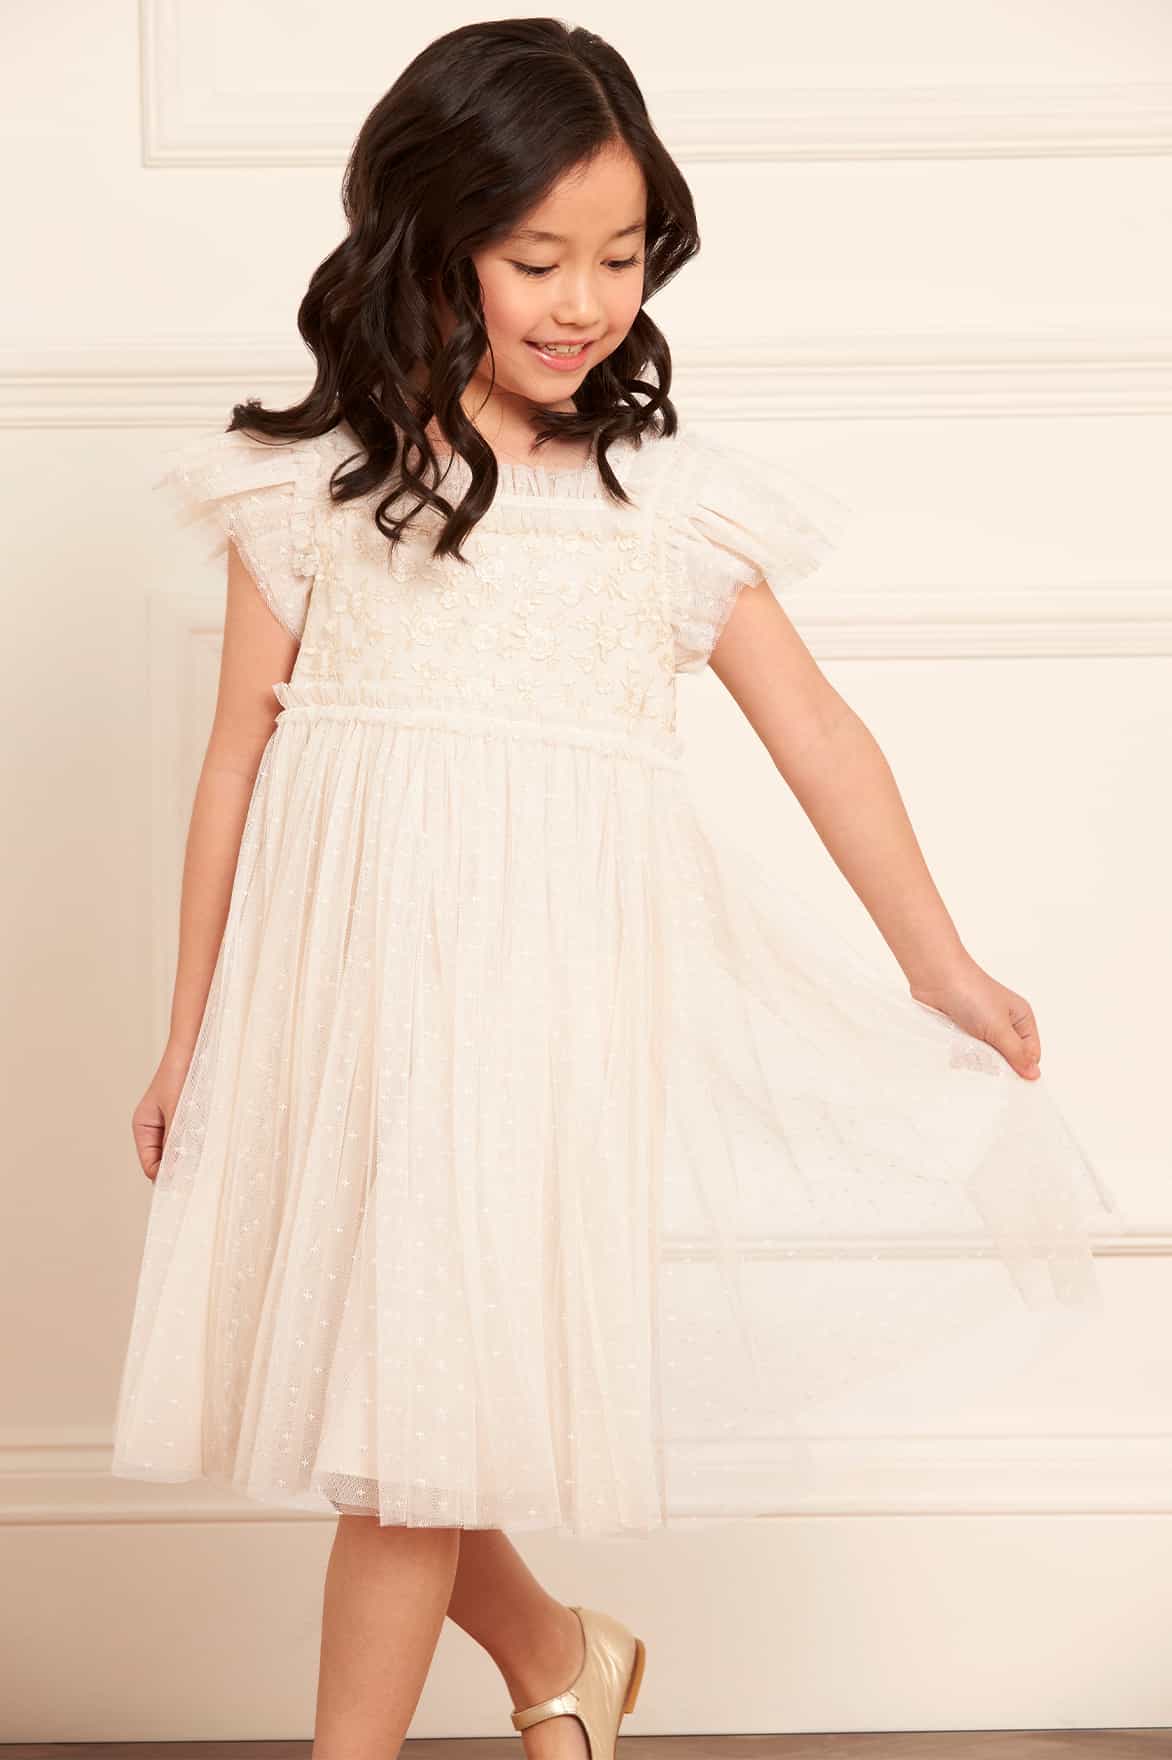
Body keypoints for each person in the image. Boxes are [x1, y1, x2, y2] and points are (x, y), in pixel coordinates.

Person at [110, 18, 1125, 1760]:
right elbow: (231, 772)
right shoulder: (305, 499)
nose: (583, 302)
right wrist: (188, 1034)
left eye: (622, 256)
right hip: (341, 1020)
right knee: (397, 1414)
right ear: (431, 245)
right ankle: (560, 1657)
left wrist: (941, 964)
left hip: (540, 1034)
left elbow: (824, 739)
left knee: (409, 1433)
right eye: (537, 259)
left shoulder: (663, 512)